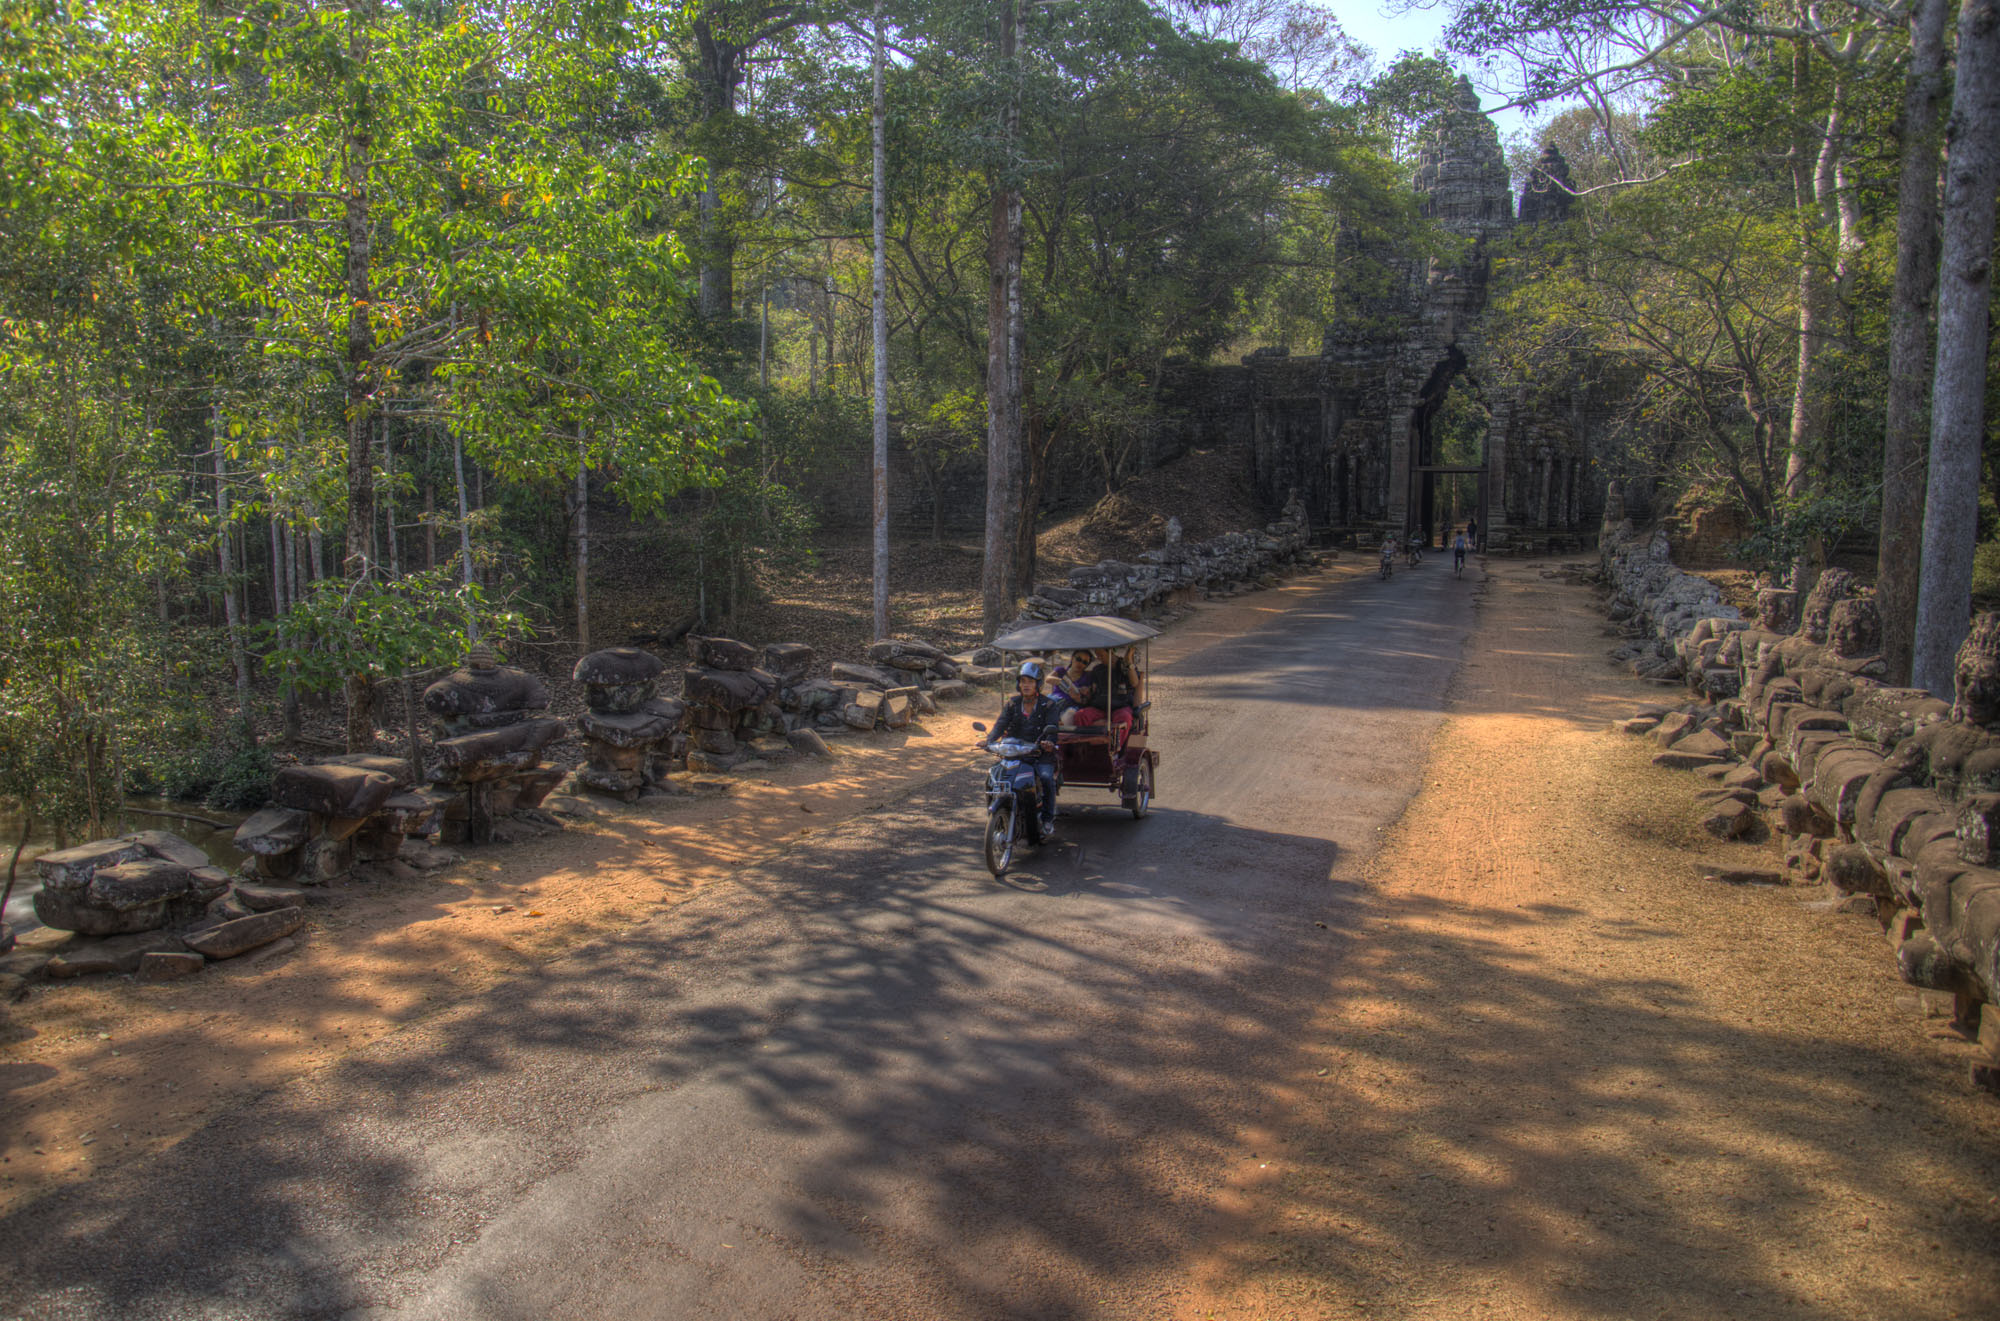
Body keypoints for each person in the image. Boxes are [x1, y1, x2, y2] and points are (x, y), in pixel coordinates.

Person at [989, 659, 1062, 832]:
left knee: (1045, 778)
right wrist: (989, 740)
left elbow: (1053, 728)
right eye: (1023, 681)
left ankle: (1047, 819)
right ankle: (996, 814)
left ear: (1038, 684)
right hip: (1015, 754)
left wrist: (1049, 742)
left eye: (1030, 681)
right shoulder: (1013, 704)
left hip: (1040, 754)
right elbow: (1000, 724)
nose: (1026, 685)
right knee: (993, 777)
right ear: (1018, 684)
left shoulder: (1049, 705)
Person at [1073, 648, 1138, 750]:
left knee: (1124, 718)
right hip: (1100, 707)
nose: (1099, 658)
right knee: (1080, 715)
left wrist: (1129, 661)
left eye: (1101, 655)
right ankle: (1083, 748)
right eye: (1097, 656)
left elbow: (1134, 683)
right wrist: (1086, 691)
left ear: (1111, 652)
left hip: (1120, 706)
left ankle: (1113, 749)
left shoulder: (1126, 667)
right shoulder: (1097, 670)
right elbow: (1093, 691)